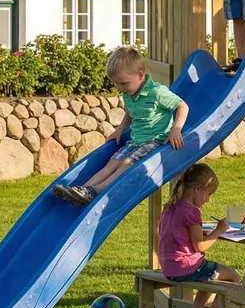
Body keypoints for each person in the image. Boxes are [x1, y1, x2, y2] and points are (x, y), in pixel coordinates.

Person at [54, 47, 188, 206]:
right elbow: (130, 112)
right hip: (135, 141)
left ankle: (95, 191)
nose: (121, 88)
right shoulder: (129, 93)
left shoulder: (157, 92)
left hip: (155, 141)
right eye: (117, 84)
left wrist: (176, 129)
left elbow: (182, 106)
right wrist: (120, 129)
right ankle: (81, 190)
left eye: (124, 83)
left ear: (140, 75)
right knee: (112, 163)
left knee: (125, 164)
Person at [157, 163, 240, 308]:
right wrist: (219, 230)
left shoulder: (170, 206)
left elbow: (177, 233)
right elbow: (200, 246)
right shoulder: (192, 212)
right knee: (234, 277)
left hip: (169, 267)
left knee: (209, 277)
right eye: (209, 194)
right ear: (198, 189)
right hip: (186, 266)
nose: (208, 200)